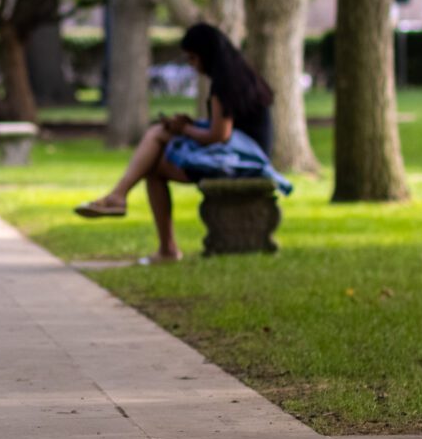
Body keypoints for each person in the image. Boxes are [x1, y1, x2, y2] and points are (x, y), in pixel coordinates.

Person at [74, 22, 289, 261]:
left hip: (239, 163)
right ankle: (126, 206)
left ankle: (126, 205)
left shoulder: (223, 84)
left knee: (156, 146)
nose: (191, 65)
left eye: (192, 58)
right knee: (155, 154)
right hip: (245, 155)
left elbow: (220, 135)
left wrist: (184, 129)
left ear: (204, 55)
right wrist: (190, 125)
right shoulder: (241, 75)